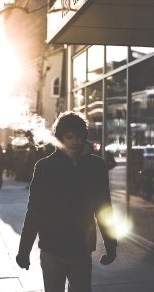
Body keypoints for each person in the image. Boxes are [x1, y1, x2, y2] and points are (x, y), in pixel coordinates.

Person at [16, 111, 117, 292]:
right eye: (69, 137)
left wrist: (111, 244)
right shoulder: (45, 167)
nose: (75, 142)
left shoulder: (96, 166)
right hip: (52, 248)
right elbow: (34, 211)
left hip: (81, 249)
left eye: (78, 136)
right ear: (60, 138)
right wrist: (24, 250)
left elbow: (104, 208)